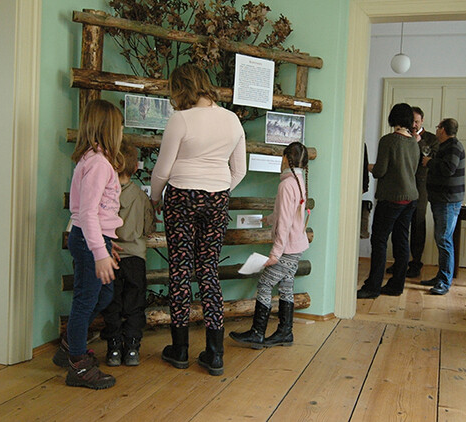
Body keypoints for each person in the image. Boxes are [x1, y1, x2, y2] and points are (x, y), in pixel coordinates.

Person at [151, 63, 246, 376]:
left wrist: (155, 198)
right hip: (217, 198)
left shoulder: (180, 119)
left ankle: (179, 350)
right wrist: (218, 191)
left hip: (181, 196)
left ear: (181, 88)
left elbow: (163, 170)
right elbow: (240, 170)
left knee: (180, 270)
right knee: (208, 271)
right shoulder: (232, 119)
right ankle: (215, 354)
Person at [61, 99, 125, 389]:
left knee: (103, 294)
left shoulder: (95, 160)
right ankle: (77, 364)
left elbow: (98, 213)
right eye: (119, 127)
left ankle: (69, 345)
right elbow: (87, 213)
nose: (121, 132)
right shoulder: (98, 164)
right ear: (108, 129)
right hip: (89, 241)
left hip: (95, 239)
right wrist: (100, 252)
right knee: (86, 301)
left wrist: (106, 243)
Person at [229, 142, 310, 349]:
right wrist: (268, 219)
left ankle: (257, 333)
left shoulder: (286, 184)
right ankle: (285, 332)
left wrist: (275, 253)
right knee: (286, 286)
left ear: (286, 159)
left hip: (287, 249)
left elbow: (285, 222)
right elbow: (286, 213)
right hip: (296, 245)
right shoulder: (299, 180)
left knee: (265, 284)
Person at [100, 142, 155, 367]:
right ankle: (132, 348)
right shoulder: (141, 197)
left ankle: (113, 348)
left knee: (111, 303)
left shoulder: (104, 194)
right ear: (135, 168)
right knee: (135, 304)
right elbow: (148, 228)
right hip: (135, 258)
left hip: (109, 258)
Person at [357, 103, 420, 299]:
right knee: (401, 241)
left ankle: (373, 287)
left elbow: (380, 171)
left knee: (379, 240)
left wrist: (368, 167)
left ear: (393, 118)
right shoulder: (414, 142)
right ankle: (396, 285)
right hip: (411, 198)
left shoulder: (388, 141)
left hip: (392, 198)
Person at [386, 107, 439, 278]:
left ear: (422, 120)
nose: (414, 124)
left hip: (421, 187)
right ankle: (398, 262)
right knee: (399, 225)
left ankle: (416, 263)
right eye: (412, 121)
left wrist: (419, 142)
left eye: (417, 121)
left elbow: (432, 159)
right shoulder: (401, 137)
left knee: (418, 224)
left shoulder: (431, 139)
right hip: (401, 185)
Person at [420, 118, 465, 295]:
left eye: (438, 127)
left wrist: (429, 162)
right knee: (441, 239)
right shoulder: (444, 146)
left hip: (448, 201)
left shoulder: (453, 146)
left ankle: (444, 281)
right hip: (441, 199)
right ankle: (440, 276)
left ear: (443, 130)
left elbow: (448, 169)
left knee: (444, 239)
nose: (437, 130)